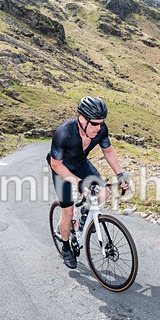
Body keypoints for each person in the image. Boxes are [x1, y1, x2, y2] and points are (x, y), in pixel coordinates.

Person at [47, 96, 129, 269]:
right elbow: (56, 164)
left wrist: (119, 174)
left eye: (101, 123)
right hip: (61, 169)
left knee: (104, 191)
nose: (98, 128)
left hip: (81, 164)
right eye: (94, 124)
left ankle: (85, 215)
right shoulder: (64, 133)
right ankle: (66, 245)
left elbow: (108, 150)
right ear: (82, 119)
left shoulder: (100, 129)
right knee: (68, 214)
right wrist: (77, 182)